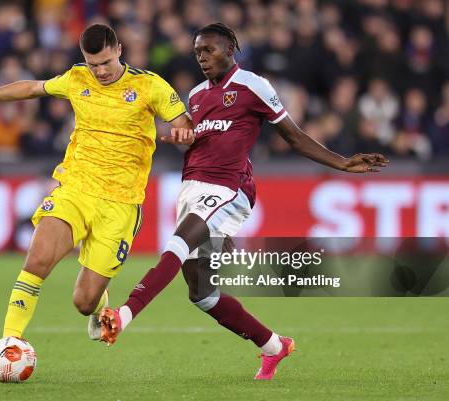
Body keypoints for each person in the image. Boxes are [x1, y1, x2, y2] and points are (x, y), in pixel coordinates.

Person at [99, 23, 388, 380]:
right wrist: (182, 137)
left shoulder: (253, 86)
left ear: (231, 47)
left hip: (228, 187)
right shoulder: (197, 94)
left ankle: (122, 316)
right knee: (201, 294)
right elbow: (200, 139)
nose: (202, 58)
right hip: (192, 186)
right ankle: (274, 346)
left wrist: (342, 162)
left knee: (174, 245)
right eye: (197, 53)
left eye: (209, 50)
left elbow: (294, 138)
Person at [0, 24, 193, 353]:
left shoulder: (149, 86)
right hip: (75, 187)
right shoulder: (77, 78)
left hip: (120, 203)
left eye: (105, 62)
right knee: (37, 259)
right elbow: (34, 87)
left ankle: (99, 300)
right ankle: (10, 340)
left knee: (84, 302)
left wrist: (182, 133)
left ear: (119, 50)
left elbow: (183, 122)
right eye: (93, 64)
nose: (100, 71)